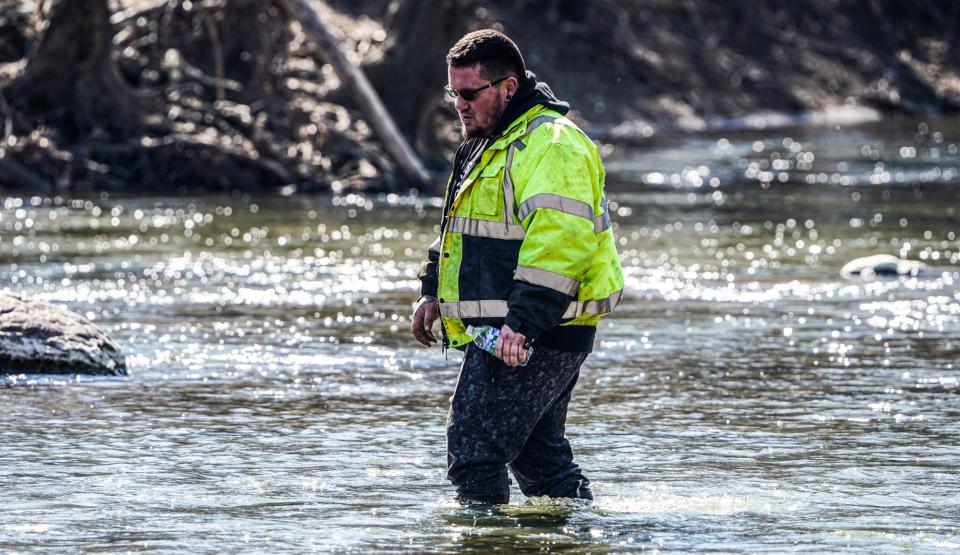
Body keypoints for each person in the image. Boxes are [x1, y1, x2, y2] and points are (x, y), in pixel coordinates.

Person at [410, 29, 623, 505]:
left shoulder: (552, 144)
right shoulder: (489, 140)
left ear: (507, 87)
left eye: (469, 93)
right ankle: (579, 535)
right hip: (511, 327)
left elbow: (561, 245)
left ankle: (486, 541)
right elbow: (458, 229)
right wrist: (431, 292)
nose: (459, 105)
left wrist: (522, 324)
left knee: (473, 450)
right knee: (538, 460)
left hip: (533, 328)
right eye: (453, 93)